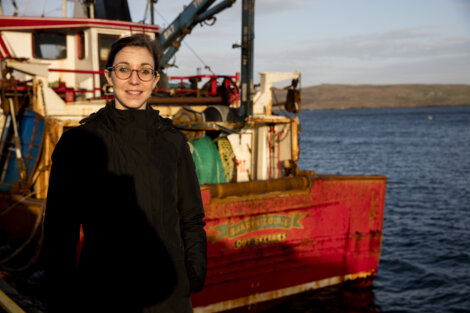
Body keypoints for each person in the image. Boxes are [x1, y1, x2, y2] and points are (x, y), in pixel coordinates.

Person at [43, 34, 207, 313]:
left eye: (144, 70)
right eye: (123, 69)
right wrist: (61, 297)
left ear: (155, 79)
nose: (134, 80)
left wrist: (193, 274)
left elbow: (191, 218)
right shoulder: (79, 143)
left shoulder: (173, 142)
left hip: (168, 298)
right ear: (109, 76)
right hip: (104, 296)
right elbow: (60, 231)